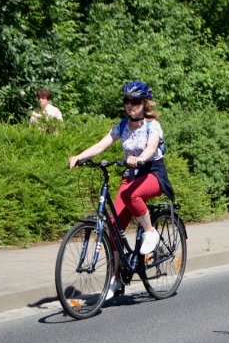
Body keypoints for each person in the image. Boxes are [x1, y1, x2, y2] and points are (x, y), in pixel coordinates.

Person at [68, 81, 175, 300]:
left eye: (135, 101)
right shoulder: (122, 126)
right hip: (131, 175)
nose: (130, 105)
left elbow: (151, 148)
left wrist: (140, 159)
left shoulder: (152, 126)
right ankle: (116, 279)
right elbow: (101, 145)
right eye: (127, 101)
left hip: (152, 173)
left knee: (130, 194)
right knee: (113, 227)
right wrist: (79, 156)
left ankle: (150, 232)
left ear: (144, 104)